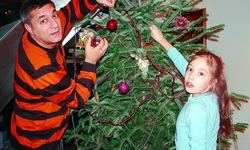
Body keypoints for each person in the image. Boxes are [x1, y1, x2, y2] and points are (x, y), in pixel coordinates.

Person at [6, 0, 116, 149]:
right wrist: (90, 62)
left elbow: (72, 10)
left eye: (54, 15)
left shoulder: (44, 34)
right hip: (36, 143)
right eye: (43, 20)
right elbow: (77, 99)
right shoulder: (40, 68)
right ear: (29, 28)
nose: (55, 25)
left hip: (52, 133)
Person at [149, 25, 231, 149]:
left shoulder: (196, 109)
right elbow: (183, 64)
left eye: (201, 73)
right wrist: (162, 40)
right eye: (190, 69)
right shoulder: (211, 95)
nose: (191, 76)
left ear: (212, 82)